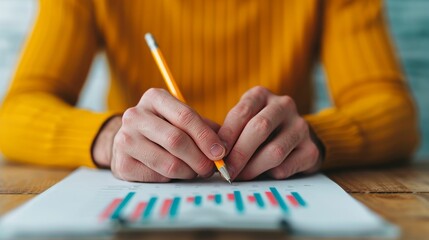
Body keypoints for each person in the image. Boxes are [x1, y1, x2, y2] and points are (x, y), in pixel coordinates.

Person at [0, 0, 419, 182]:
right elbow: (16, 112)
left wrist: (315, 138)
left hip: (279, 183)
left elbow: (394, 111)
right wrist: (109, 138)